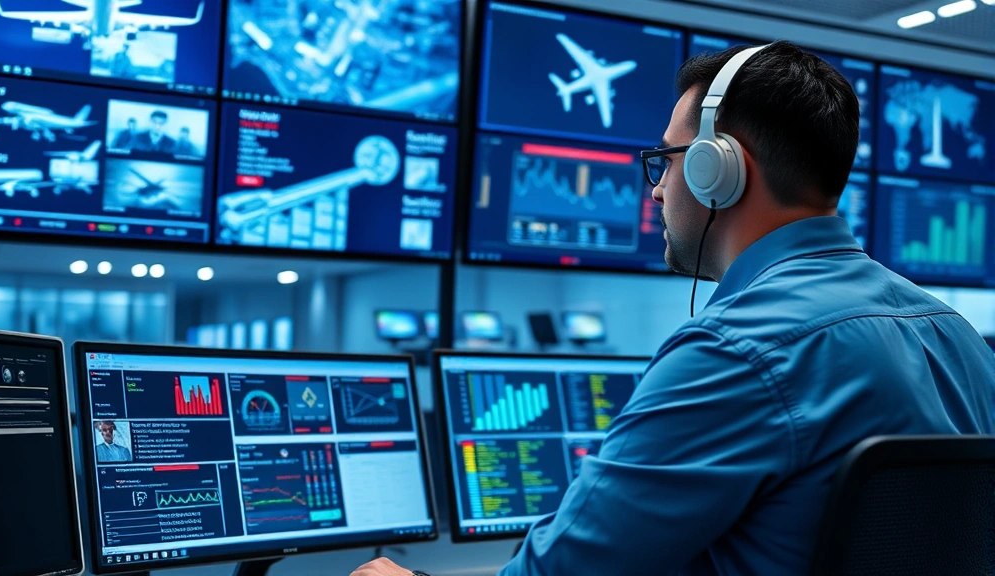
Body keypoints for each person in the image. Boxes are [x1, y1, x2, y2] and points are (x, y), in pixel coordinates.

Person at [351, 41, 995, 576]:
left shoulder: (737, 353)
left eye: (667, 161)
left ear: (722, 170)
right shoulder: (959, 338)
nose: (656, 189)